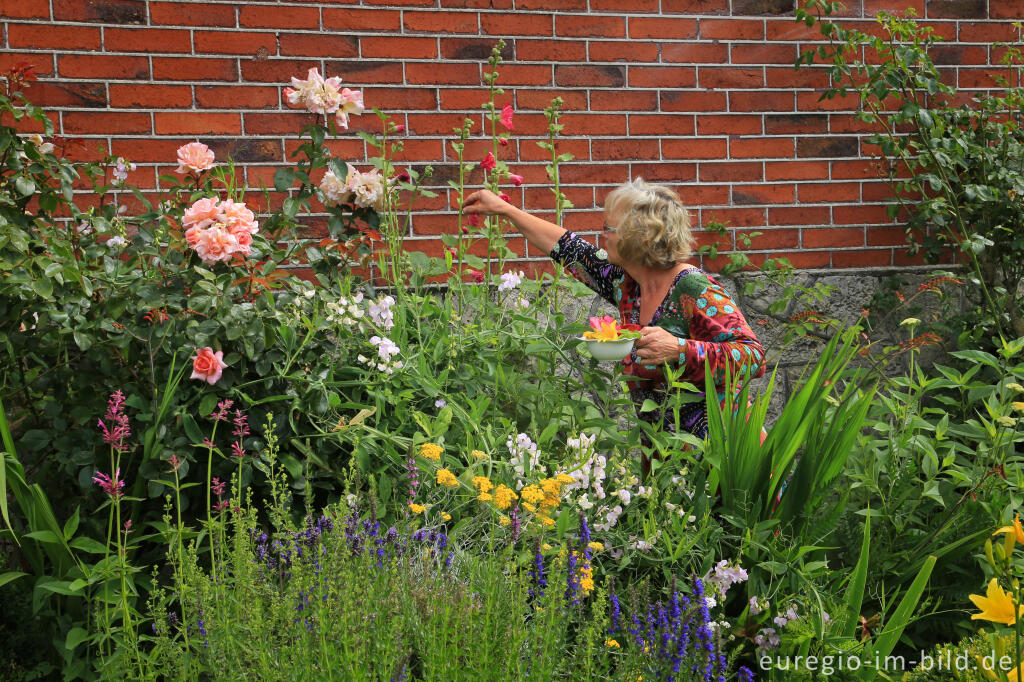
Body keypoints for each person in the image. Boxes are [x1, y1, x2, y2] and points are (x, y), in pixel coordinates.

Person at [462, 177, 766, 447]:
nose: (602, 234)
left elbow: (753, 356)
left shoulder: (693, 288)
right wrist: (506, 210)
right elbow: (569, 248)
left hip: (727, 453)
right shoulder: (627, 283)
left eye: (609, 227)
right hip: (666, 457)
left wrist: (679, 350)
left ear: (639, 236)